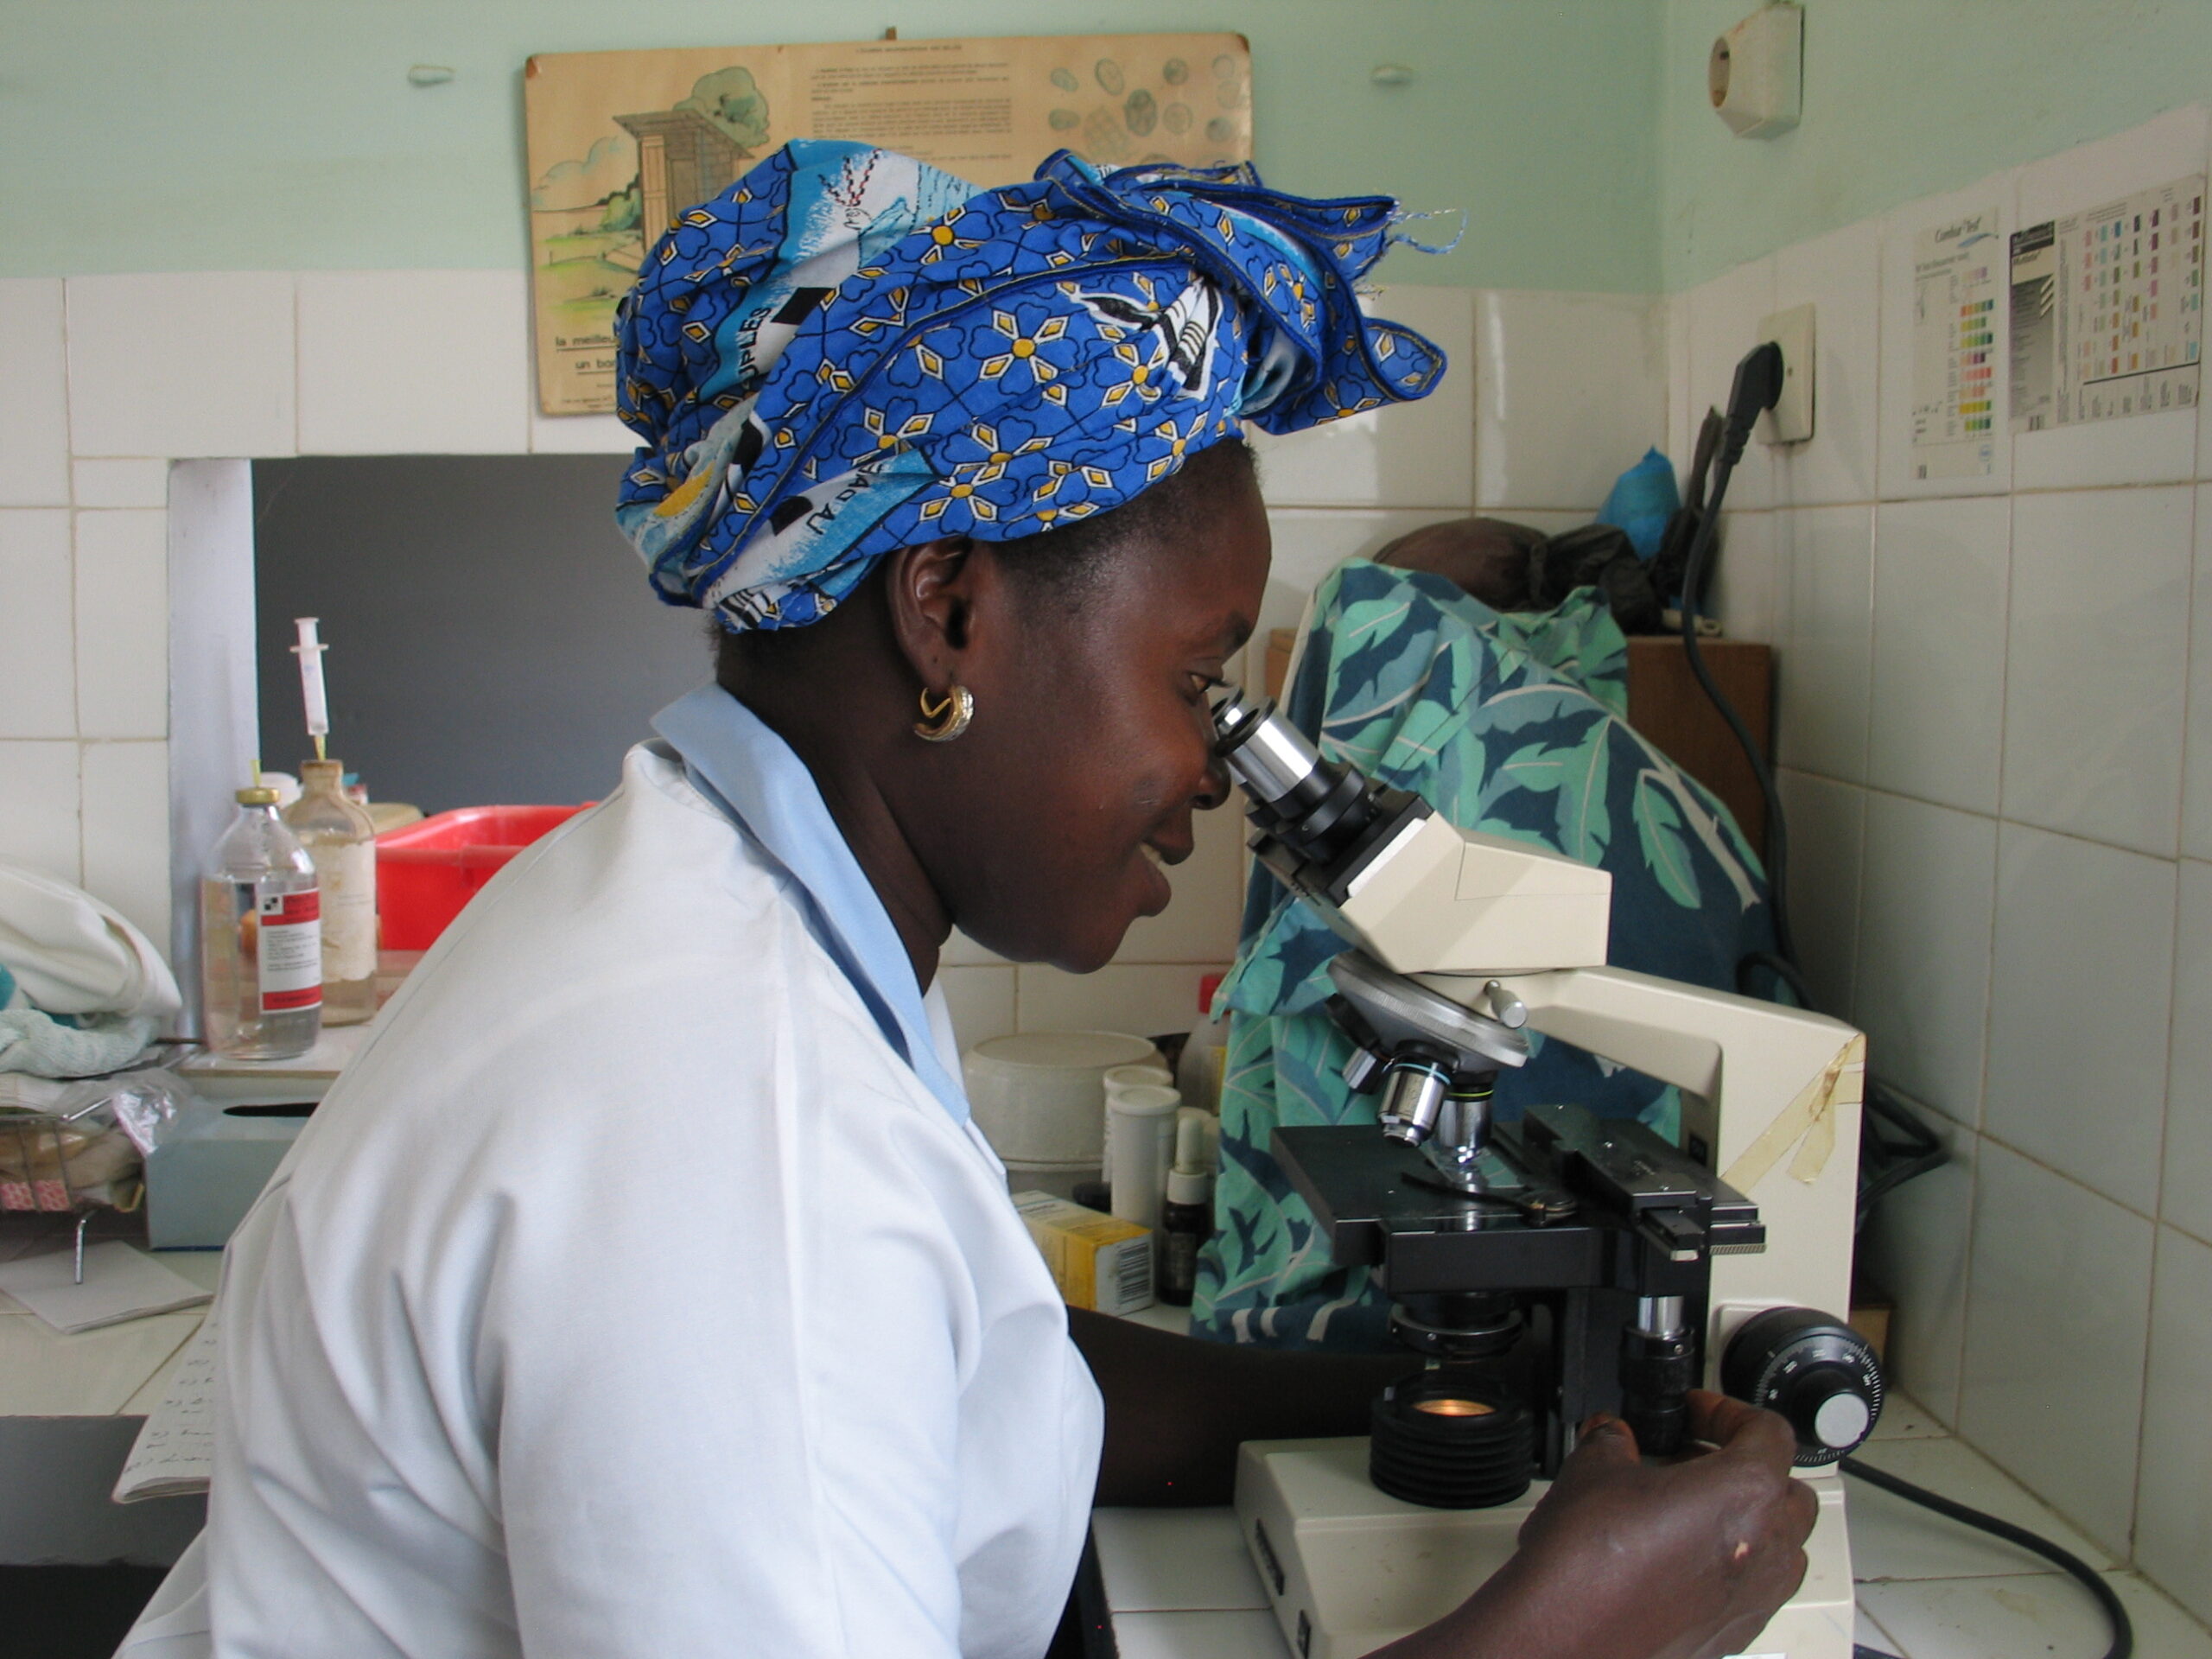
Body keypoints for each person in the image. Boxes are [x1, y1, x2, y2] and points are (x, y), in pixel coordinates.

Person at [119, 141, 1813, 1659]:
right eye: (1194, 678)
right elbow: (807, 1314)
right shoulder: (729, 1123)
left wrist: (1415, 1397)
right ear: (946, 615)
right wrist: (1569, 1638)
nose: (1219, 771)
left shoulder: (715, 895)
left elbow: (979, 1374)